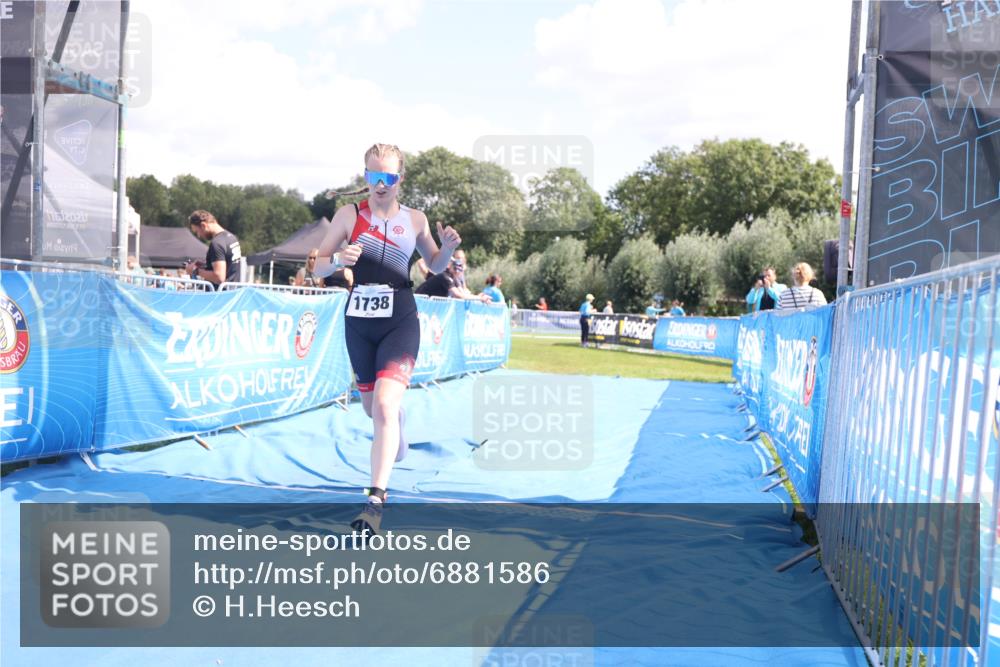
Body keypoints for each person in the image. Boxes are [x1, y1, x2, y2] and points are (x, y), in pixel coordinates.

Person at [315, 143, 462, 533]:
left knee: (381, 405)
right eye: (373, 177)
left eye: (389, 178)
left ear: (401, 179)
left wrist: (446, 250)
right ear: (364, 176)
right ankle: (396, 419)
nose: (380, 185)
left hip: (400, 320)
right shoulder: (349, 215)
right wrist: (336, 261)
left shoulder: (415, 220)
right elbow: (316, 267)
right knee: (373, 410)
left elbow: (434, 265)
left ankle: (375, 501)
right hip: (359, 322)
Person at [184, 210, 245, 289]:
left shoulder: (216, 243)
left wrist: (195, 271)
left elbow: (219, 277)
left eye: (197, 231)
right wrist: (205, 265)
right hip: (233, 292)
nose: (199, 235)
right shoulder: (231, 237)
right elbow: (228, 265)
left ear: (203, 225)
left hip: (220, 296)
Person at [415, 249, 490, 302]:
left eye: (460, 270)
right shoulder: (445, 276)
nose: (457, 272)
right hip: (420, 302)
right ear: (450, 267)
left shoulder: (454, 278)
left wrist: (478, 297)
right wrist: (479, 298)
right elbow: (458, 296)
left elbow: (463, 293)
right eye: (455, 269)